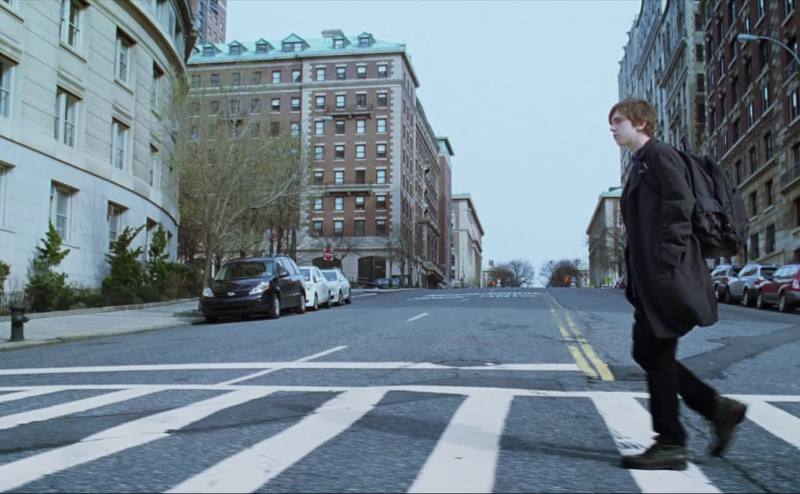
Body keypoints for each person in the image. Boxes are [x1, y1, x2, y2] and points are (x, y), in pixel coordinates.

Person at [609, 99, 747, 471]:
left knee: (654, 354)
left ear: (641, 123)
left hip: (667, 276)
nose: (613, 128)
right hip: (653, 279)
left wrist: (665, 260)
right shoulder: (641, 163)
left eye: (619, 121)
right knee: (649, 353)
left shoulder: (660, 155)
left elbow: (680, 205)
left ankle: (672, 442)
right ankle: (717, 409)